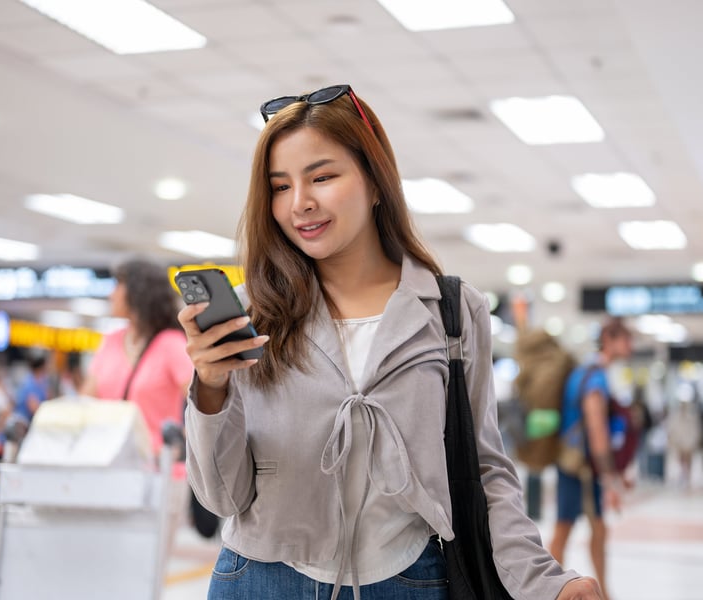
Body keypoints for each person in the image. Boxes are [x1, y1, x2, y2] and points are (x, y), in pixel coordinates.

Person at [179, 84, 604, 600]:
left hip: (409, 580)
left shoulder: (451, 310)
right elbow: (223, 496)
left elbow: (484, 470)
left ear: (376, 181)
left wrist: (546, 582)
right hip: (261, 579)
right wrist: (210, 388)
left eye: (322, 176)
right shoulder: (254, 312)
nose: (301, 203)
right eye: (280, 186)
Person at [548, 317, 634, 600]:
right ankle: (549, 591)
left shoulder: (586, 371)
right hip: (580, 466)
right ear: (609, 340)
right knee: (567, 527)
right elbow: (597, 427)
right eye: (625, 339)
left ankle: (602, 592)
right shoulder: (594, 376)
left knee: (593, 527)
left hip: (576, 463)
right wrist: (610, 479)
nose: (630, 346)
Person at [80, 258, 193, 455]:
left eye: (118, 286)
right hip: (112, 462)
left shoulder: (170, 343)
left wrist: (177, 446)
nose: (111, 295)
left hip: (158, 469)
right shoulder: (111, 341)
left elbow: (204, 402)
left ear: (137, 292)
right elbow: (86, 403)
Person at [13, 354, 51, 425]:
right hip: (24, 422)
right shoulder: (28, 383)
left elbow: (48, 399)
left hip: (36, 420)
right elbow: (33, 408)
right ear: (41, 367)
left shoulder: (43, 380)